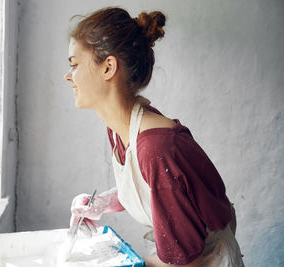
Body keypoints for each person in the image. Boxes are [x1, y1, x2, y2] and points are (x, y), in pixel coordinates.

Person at [63, 7, 244, 267]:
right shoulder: (120, 129)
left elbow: (187, 263)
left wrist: (116, 264)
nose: (68, 76)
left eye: (75, 64)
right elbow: (154, 188)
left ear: (108, 68)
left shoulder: (156, 146)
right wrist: (102, 203)